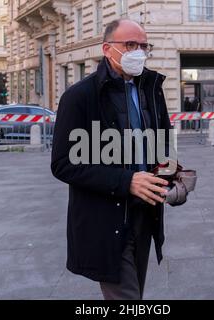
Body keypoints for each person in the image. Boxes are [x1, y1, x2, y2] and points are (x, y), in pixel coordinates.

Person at [51, 19, 174, 300]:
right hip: (106, 220)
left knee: (135, 295)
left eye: (144, 46)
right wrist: (127, 181)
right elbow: (62, 163)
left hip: (146, 213)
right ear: (107, 49)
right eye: (130, 45)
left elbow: (164, 142)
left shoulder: (151, 90)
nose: (139, 52)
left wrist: (173, 177)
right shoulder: (79, 96)